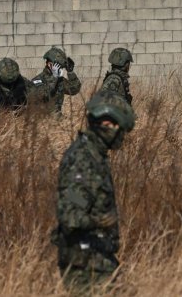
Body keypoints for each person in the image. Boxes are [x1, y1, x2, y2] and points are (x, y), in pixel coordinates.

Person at [53, 94, 135, 293]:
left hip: (98, 260)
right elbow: (69, 214)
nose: (121, 136)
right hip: (84, 266)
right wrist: (98, 222)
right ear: (107, 124)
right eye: (119, 129)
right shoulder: (82, 160)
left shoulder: (95, 156)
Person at [28, 47, 82, 115]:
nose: (61, 69)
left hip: (58, 118)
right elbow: (43, 95)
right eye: (59, 67)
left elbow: (74, 90)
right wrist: (54, 77)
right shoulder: (38, 80)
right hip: (42, 119)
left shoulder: (59, 80)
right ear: (50, 65)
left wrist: (70, 72)